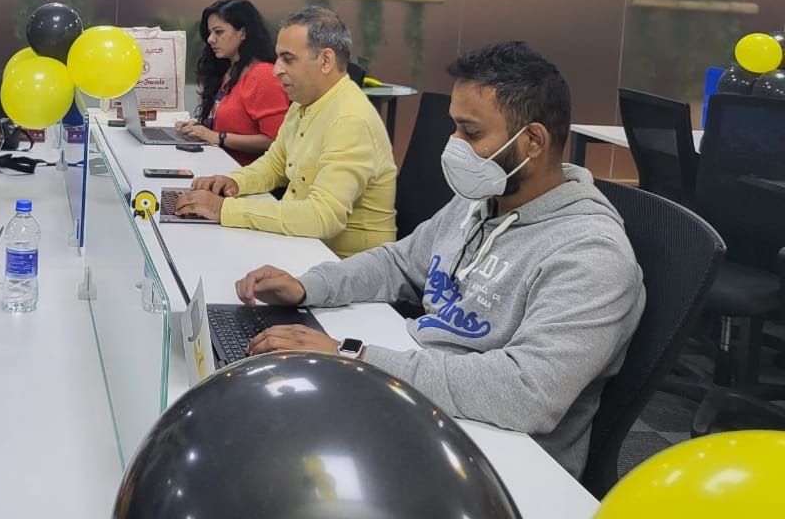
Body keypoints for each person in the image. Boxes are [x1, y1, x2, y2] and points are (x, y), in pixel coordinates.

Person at [235, 41, 645, 477]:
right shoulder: (484, 200)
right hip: (426, 404)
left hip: (494, 462)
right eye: (454, 128)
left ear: (532, 141)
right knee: (261, 417)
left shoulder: (592, 254)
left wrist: (354, 357)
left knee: (281, 461)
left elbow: (527, 393)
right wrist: (309, 286)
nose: (452, 146)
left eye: (470, 133)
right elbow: (399, 262)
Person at [176, 6, 397, 257]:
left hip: (342, 267)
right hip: (302, 247)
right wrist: (234, 183)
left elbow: (322, 218)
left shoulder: (350, 119)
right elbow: (275, 164)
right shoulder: (305, 102)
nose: (276, 69)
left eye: (288, 59)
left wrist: (224, 210)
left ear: (325, 60)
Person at [174, 0, 289, 165]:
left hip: (245, 178)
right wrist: (199, 129)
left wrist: (216, 137)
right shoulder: (228, 71)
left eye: (218, 32)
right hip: (216, 167)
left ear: (242, 33)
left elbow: (275, 141)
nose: (210, 39)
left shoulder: (263, 75)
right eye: (210, 33)